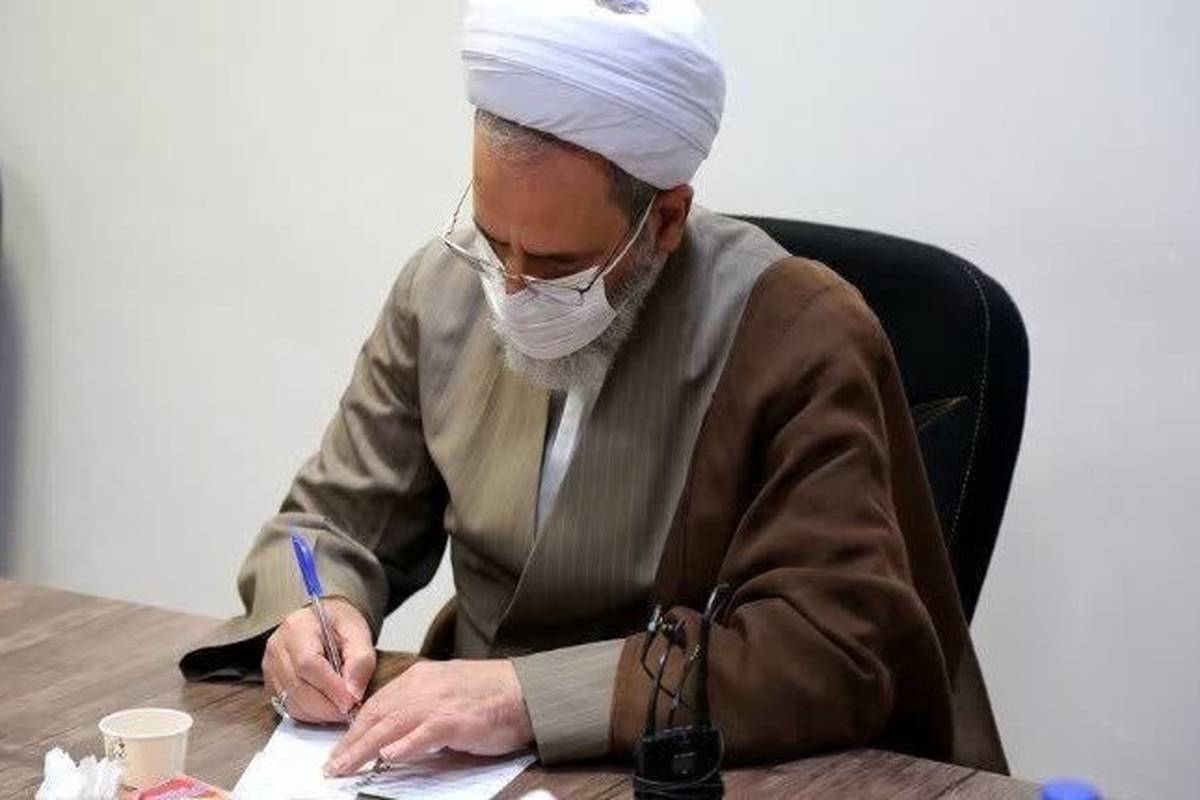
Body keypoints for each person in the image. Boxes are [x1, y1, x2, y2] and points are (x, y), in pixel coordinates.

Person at [181, 0, 1007, 778]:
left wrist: (525, 699)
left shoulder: (798, 334)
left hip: (686, 773)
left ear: (665, 221)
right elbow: (328, 523)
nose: (510, 288)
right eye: (494, 240)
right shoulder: (443, 289)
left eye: (557, 265)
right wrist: (314, 612)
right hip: (449, 770)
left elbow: (827, 652)